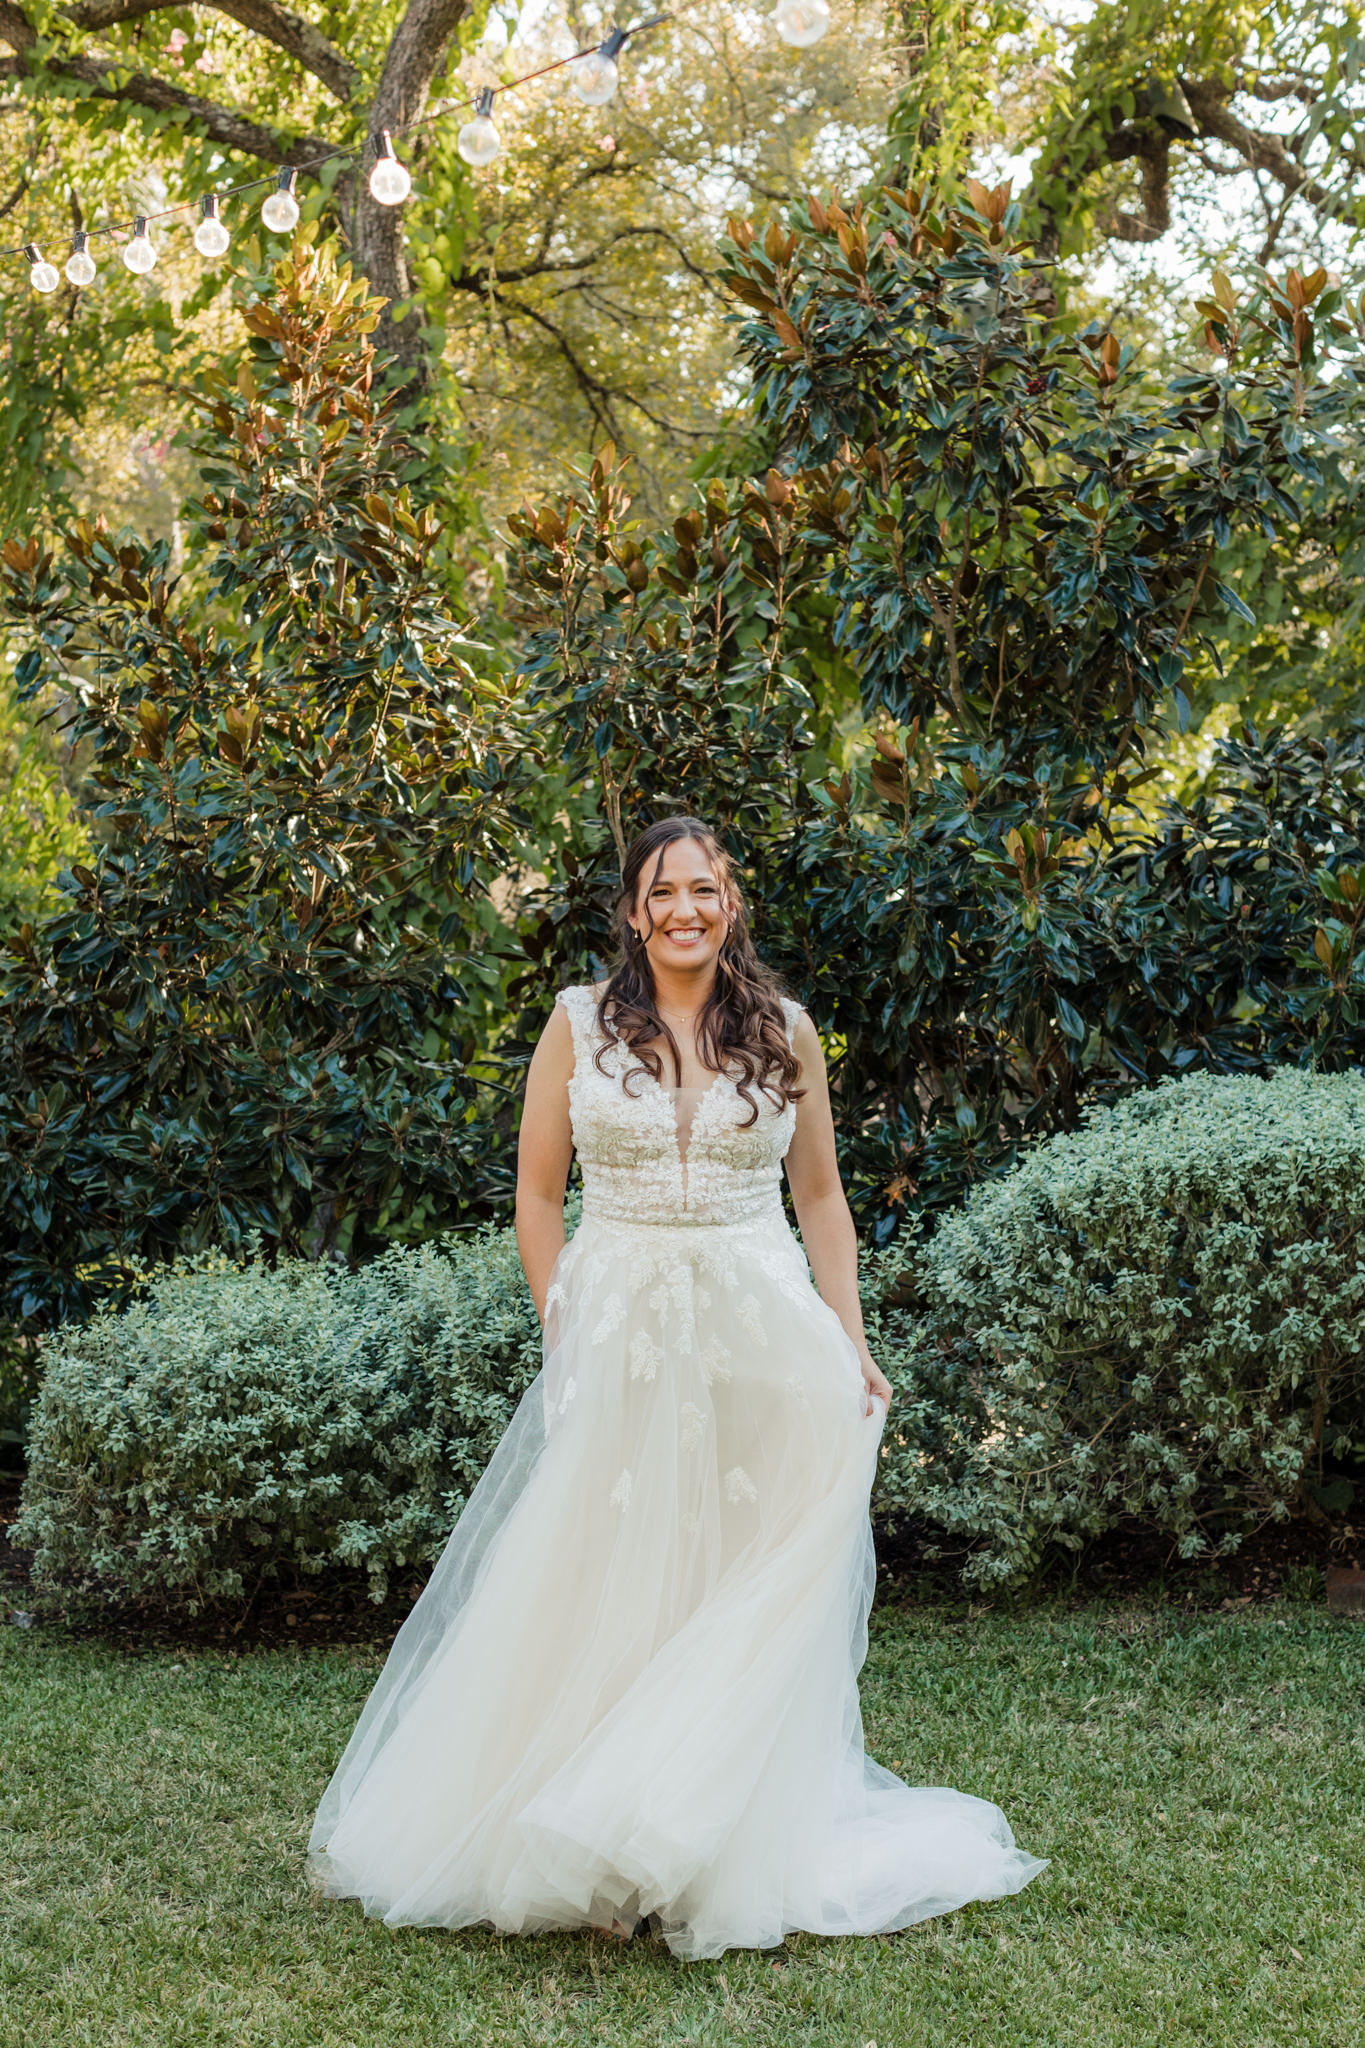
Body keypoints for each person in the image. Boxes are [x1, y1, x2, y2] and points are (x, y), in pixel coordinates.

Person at [308, 815, 1046, 1959]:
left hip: (761, 1331)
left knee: (735, 1573)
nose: (687, 909)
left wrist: (850, 1340)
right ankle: (597, 1837)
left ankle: (700, 1830)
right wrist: (563, 1318)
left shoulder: (786, 1031)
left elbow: (824, 1201)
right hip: (622, 1332)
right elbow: (538, 1197)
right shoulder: (577, 1025)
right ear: (634, 911)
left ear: (731, 901)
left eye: (705, 888)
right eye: (665, 892)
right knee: (611, 1577)